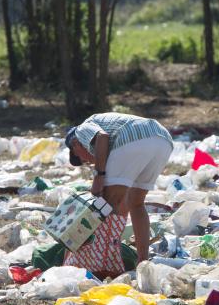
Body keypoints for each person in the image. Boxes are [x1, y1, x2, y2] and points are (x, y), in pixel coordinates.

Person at [65, 112, 173, 262]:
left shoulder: (80, 130)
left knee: (107, 205)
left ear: (75, 144)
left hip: (133, 137)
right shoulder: (109, 138)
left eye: (79, 156)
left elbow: (102, 137)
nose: (85, 160)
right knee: (136, 203)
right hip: (163, 140)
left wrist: (99, 175)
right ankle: (142, 262)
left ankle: (105, 261)